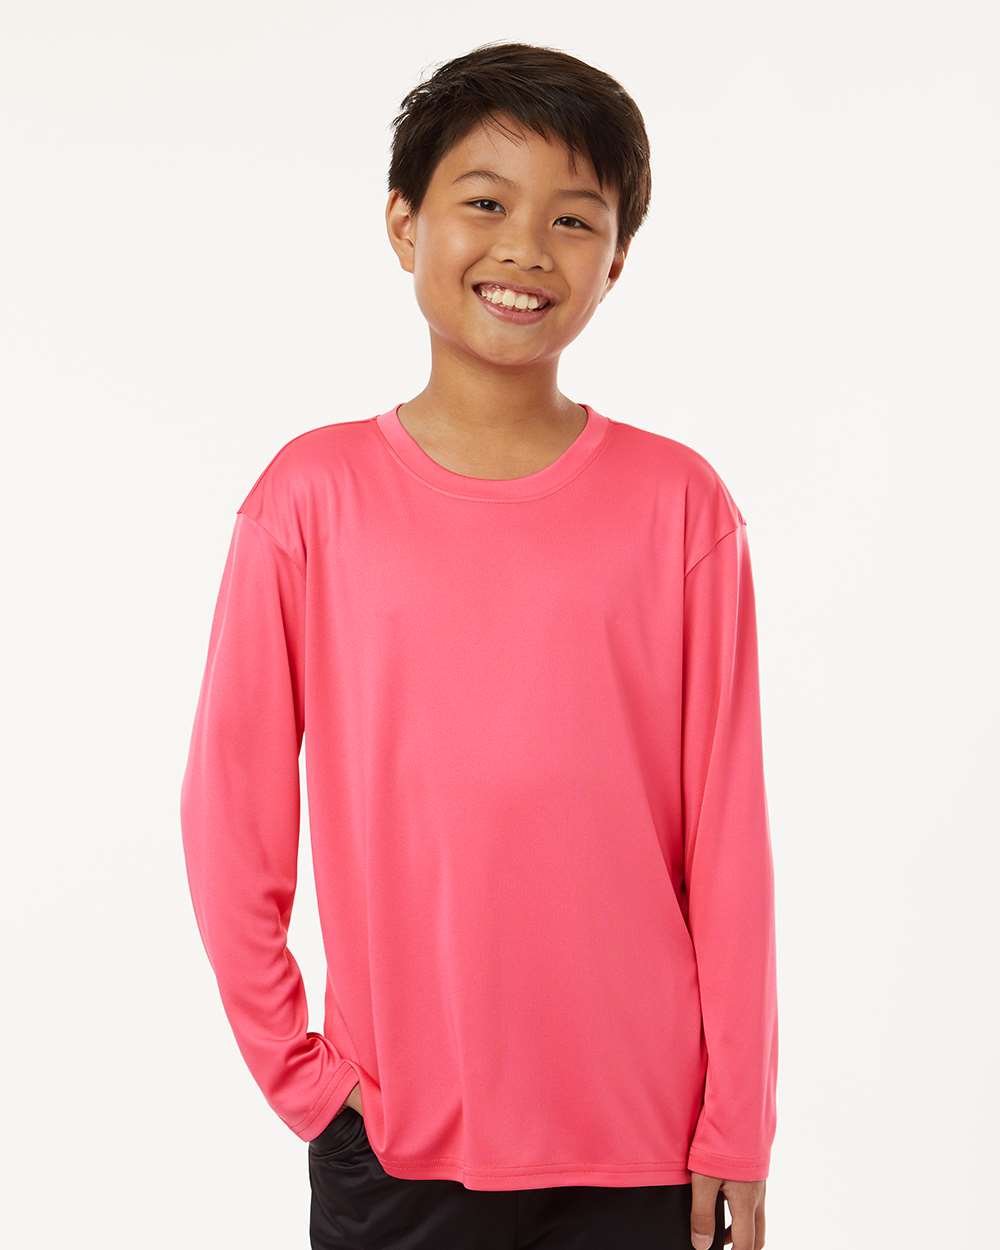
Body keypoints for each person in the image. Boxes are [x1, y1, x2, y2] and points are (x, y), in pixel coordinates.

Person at [180, 40, 777, 1250]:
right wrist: (304, 1077)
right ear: (405, 224)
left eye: (573, 219)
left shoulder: (680, 507)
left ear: (616, 261)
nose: (526, 249)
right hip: (399, 1137)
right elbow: (230, 814)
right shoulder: (311, 498)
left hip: (643, 1139)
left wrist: (737, 1124)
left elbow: (727, 839)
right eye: (487, 203)